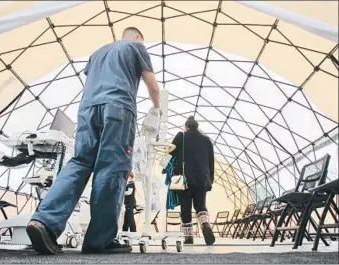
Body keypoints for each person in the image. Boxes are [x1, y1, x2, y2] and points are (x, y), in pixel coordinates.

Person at [26, 27, 161, 255]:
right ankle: (99, 240)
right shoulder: (136, 47)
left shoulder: (97, 53)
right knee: (111, 167)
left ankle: (44, 223)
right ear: (138, 37)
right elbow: (153, 86)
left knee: (79, 163)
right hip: (117, 108)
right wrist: (157, 110)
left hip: (88, 109)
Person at [169, 116, 215, 245]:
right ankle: (205, 224)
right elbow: (211, 161)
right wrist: (210, 179)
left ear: (186, 127)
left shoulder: (181, 136)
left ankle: (188, 237)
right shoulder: (206, 140)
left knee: (186, 207)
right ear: (196, 126)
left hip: (184, 179)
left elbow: (169, 152)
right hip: (202, 179)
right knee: (200, 205)